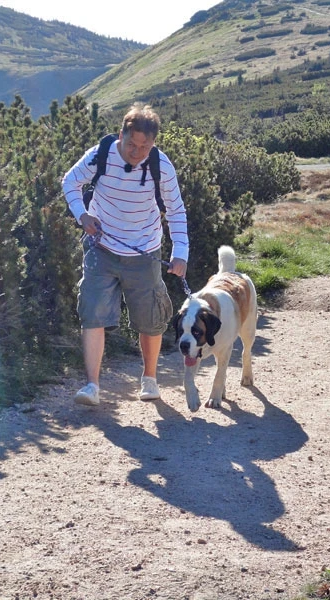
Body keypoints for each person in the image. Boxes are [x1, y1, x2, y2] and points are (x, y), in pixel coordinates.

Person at [62, 103, 189, 406]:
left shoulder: (161, 165)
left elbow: (176, 210)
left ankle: (149, 379)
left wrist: (180, 252)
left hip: (145, 252)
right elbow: (70, 181)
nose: (137, 151)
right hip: (101, 248)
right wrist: (82, 215)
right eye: (132, 144)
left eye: (144, 146)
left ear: (153, 143)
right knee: (92, 312)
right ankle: (92, 385)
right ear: (121, 134)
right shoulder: (101, 154)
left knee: (150, 319)